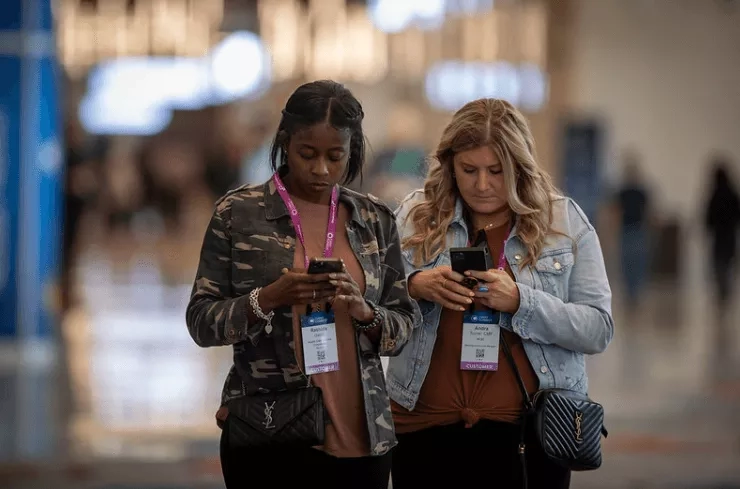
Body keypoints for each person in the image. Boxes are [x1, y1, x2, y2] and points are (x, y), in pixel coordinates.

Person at [186, 80, 419, 489]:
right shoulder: (238, 214)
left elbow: (404, 325)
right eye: (306, 154)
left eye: (336, 156)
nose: (321, 169)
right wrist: (266, 299)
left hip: (362, 434)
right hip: (270, 432)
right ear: (284, 142)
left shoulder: (375, 219)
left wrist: (366, 313)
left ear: (354, 152)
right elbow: (201, 321)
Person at [386, 98, 614, 489]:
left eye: (496, 170)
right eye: (468, 170)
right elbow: (374, 308)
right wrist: (414, 286)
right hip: (422, 427)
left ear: (519, 166)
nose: (482, 184)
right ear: (449, 164)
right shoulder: (414, 216)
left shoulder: (563, 222)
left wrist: (523, 302)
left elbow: (597, 328)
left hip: (528, 435)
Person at [614, 151, 652, 310]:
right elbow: (615, 211)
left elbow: (648, 212)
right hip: (626, 230)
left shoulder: (642, 192)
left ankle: (635, 292)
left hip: (638, 230)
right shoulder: (622, 192)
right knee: (627, 262)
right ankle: (630, 292)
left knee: (637, 263)